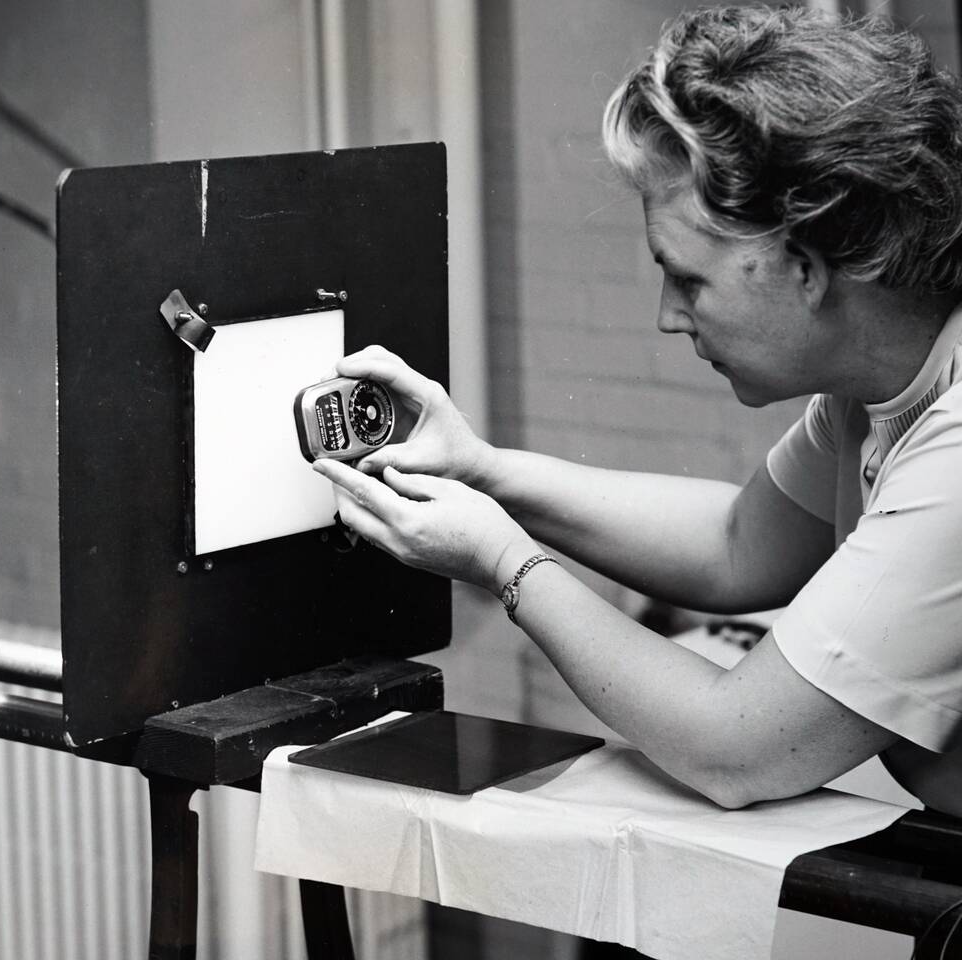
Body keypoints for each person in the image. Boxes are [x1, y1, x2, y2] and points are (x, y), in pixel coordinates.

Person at [312, 5, 962, 814]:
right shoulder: (884, 383)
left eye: (689, 278)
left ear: (805, 267)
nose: (668, 315)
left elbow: (736, 747)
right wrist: (484, 470)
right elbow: (736, 544)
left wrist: (504, 563)